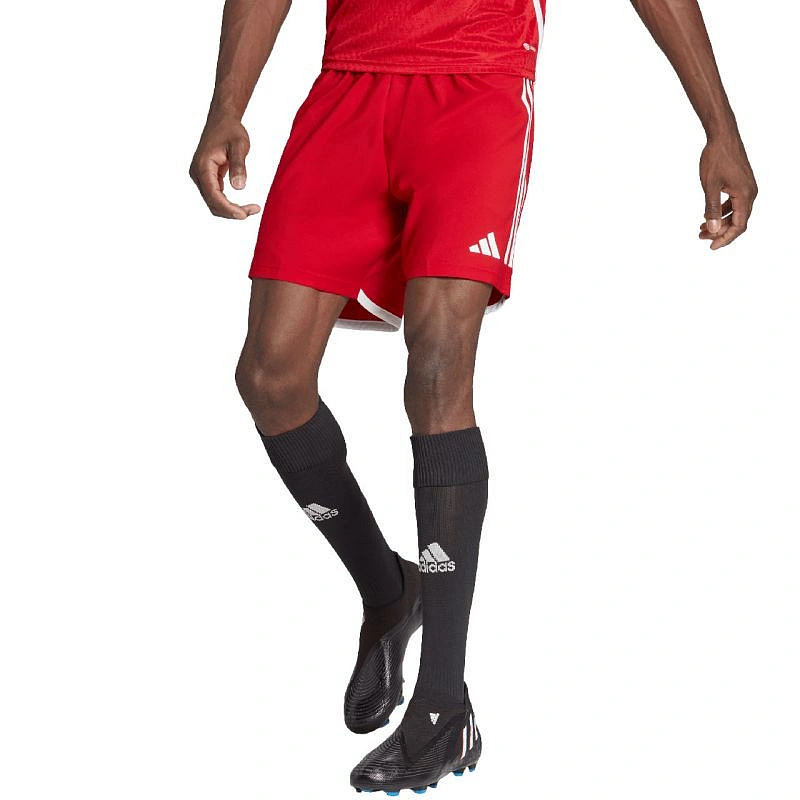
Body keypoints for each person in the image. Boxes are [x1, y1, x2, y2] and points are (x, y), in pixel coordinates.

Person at [189, 0, 757, 793]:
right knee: (270, 378)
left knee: (437, 366)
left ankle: (443, 706)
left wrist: (719, 127)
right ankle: (391, 592)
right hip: (349, 83)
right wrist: (227, 105)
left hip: (477, 85)